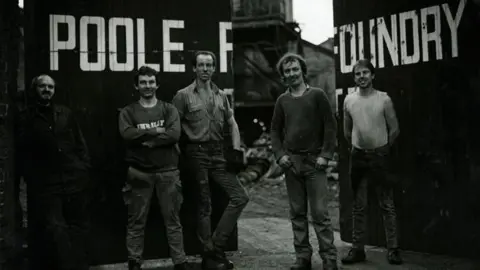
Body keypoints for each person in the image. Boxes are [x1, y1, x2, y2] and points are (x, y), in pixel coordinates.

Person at [172, 51, 249, 270]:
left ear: (214, 68)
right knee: (204, 204)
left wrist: (235, 149)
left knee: (240, 196)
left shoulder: (221, 95)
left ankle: (215, 246)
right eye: (201, 65)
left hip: (218, 152)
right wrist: (181, 156)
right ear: (194, 68)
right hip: (195, 153)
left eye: (209, 65)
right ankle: (209, 256)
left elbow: (232, 123)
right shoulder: (183, 95)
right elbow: (173, 130)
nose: (205, 69)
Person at [270, 53, 339, 270]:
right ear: (284, 76)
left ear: (302, 70)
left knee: (320, 213)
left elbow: (330, 126)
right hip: (292, 165)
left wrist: (325, 155)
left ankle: (329, 258)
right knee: (297, 213)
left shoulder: (317, 95)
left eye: (294, 69)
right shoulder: (283, 101)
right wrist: (280, 155)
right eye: (287, 71)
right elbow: (274, 131)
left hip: (314, 163)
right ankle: (303, 257)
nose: (291, 74)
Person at [118, 66, 190, 270]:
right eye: (143, 82)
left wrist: (149, 141)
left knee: (173, 221)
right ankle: (134, 261)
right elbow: (126, 134)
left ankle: (180, 261)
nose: (147, 86)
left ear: (157, 84)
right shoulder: (128, 111)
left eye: (151, 82)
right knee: (136, 221)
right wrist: (157, 130)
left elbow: (174, 134)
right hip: (139, 173)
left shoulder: (169, 109)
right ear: (136, 85)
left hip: (168, 172)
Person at [16, 74, 91, 270]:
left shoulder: (65, 113)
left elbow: (80, 143)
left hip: (73, 180)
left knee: (78, 228)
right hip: (47, 185)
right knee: (56, 230)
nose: (47, 90)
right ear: (35, 89)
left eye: (50, 87)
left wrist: (83, 168)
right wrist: (33, 178)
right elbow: (22, 151)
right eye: (43, 86)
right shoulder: (26, 117)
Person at [341, 59, 402, 265]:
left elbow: (395, 128)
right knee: (359, 205)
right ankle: (358, 249)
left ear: (373, 75)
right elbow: (347, 130)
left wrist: (383, 149)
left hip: (380, 157)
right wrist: (356, 148)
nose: (362, 77)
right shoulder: (349, 100)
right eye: (358, 74)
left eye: (365, 73)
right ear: (354, 78)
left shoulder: (383, 99)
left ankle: (393, 249)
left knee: (387, 204)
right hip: (359, 157)